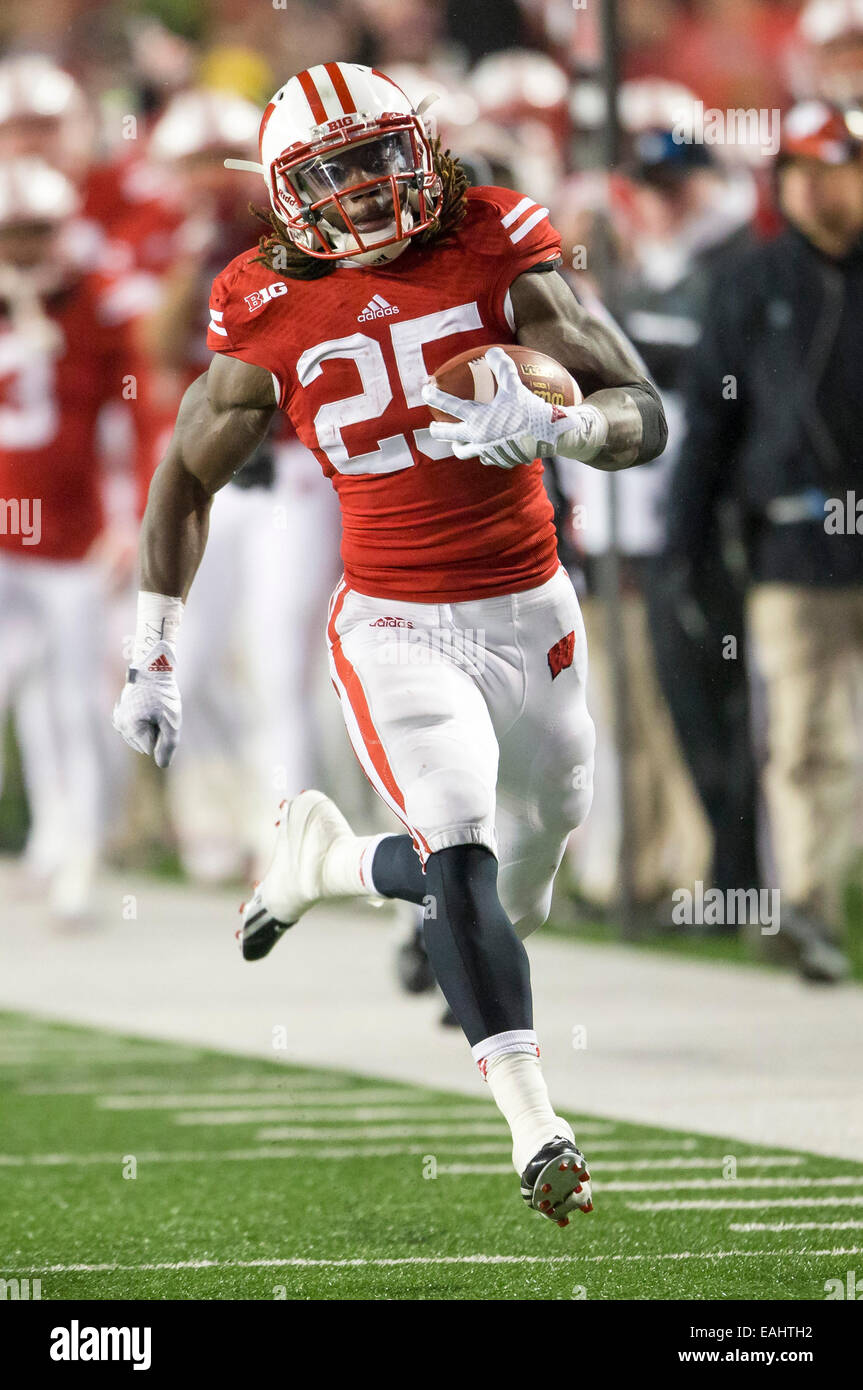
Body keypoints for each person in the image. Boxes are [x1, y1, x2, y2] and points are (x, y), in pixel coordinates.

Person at [113, 62, 666, 1224]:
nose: (362, 191)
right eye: (329, 172)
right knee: (458, 842)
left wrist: (560, 422)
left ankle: (328, 863)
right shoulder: (259, 300)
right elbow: (183, 474)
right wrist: (153, 644)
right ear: (281, 192)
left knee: (528, 866)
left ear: (419, 147)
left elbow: (644, 415)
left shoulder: (495, 234)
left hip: (535, 609)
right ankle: (535, 1124)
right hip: (395, 627)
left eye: (375, 157)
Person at [667, 99, 863, 982]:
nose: (815, 190)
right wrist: (685, 543)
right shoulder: (752, 283)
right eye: (800, 172)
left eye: (833, 169)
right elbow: (706, 422)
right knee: (801, 737)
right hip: (793, 546)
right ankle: (812, 907)